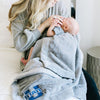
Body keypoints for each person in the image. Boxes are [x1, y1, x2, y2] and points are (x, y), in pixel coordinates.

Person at [8, 0, 100, 100]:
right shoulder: (19, 10)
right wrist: (44, 25)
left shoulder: (59, 4)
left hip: (58, 54)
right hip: (37, 56)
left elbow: (70, 32)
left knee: (89, 86)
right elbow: (20, 45)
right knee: (47, 86)